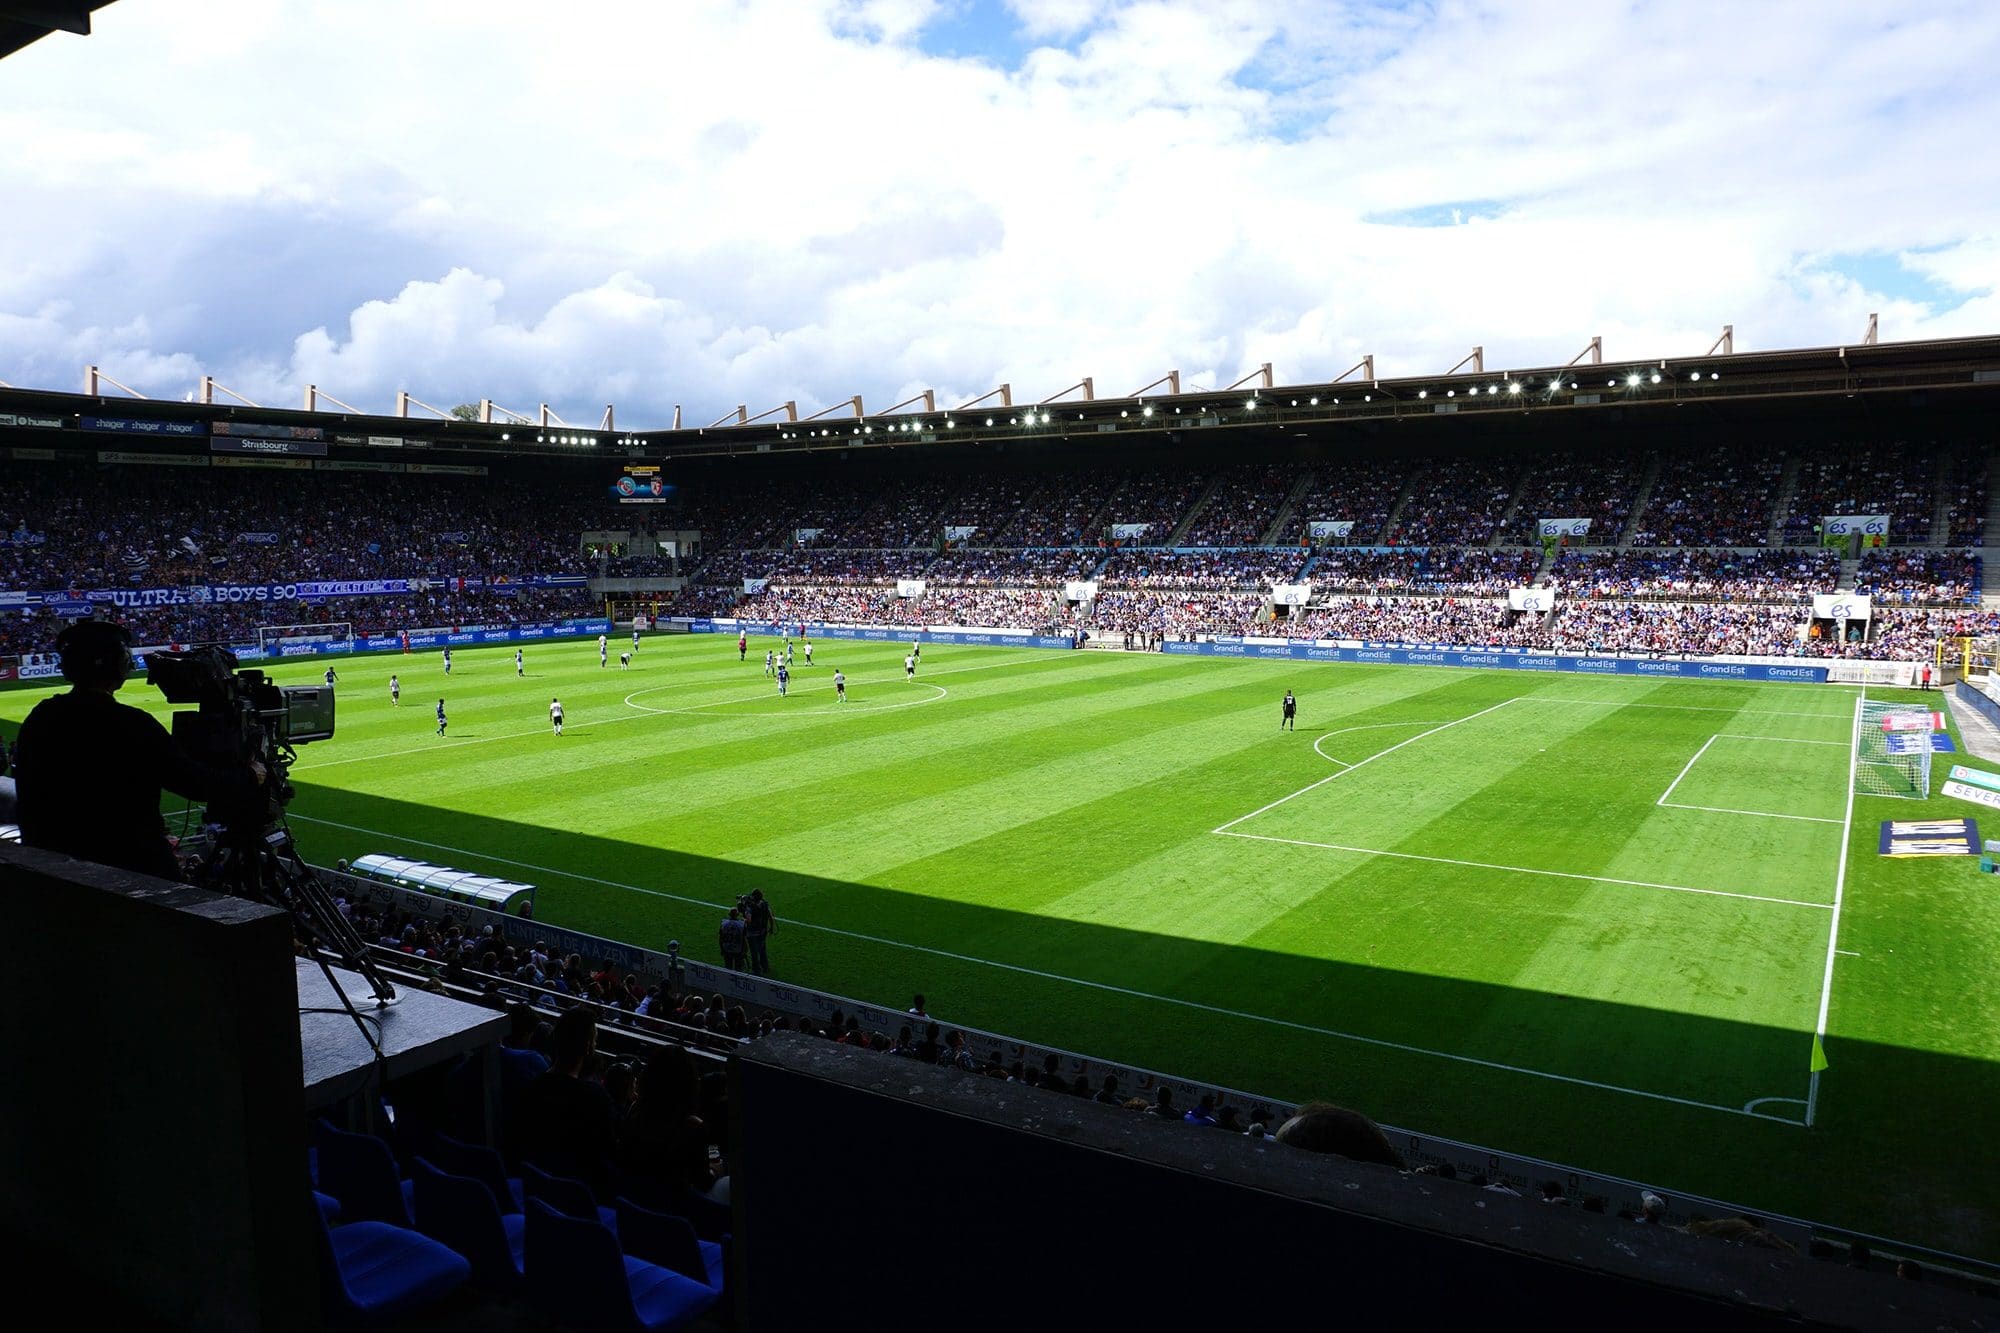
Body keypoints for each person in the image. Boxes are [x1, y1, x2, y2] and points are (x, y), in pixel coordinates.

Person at [13, 622, 263, 882]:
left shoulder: (41, 716)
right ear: (120, 664)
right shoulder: (130, 724)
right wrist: (251, 775)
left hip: (51, 869)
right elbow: (196, 784)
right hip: (126, 869)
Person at [511, 1007, 618, 1197]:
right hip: (580, 1201)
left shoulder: (531, 1088)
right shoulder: (595, 1099)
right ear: (589, 1046)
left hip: (537, 1195)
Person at [744, 889, 776, 975]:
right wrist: (771, 927)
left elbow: (749, 920)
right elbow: (770, 916)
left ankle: (756, 970)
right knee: (762, 949)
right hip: (762, 931)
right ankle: (765, 967)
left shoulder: (750, 906)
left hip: (752, 932)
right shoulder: (765, 904)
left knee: (754, 952)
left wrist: (744, 916)